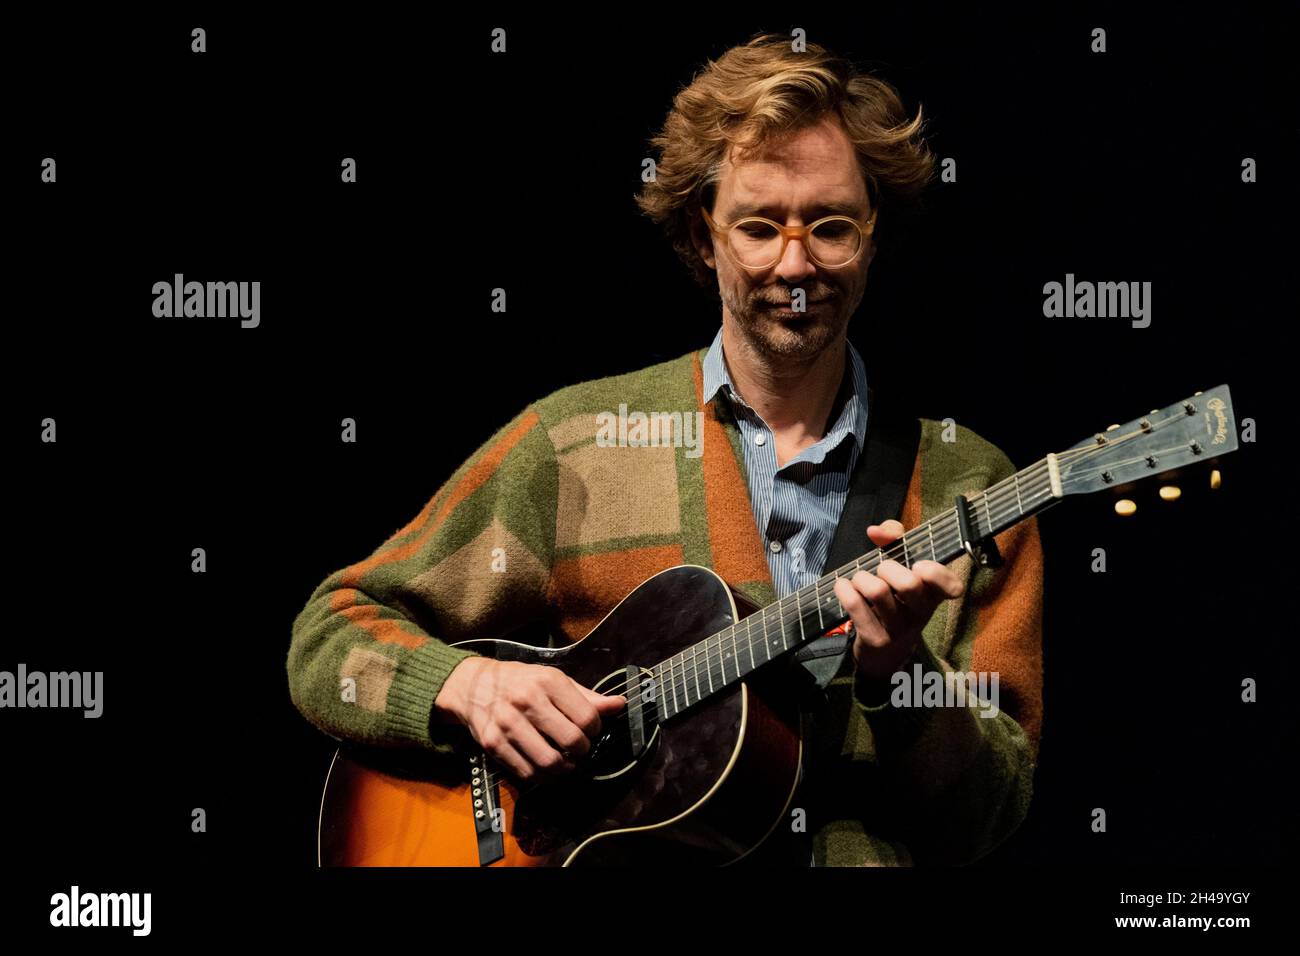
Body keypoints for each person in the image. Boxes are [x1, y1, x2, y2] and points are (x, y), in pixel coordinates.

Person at [287, 32, 1043, 867]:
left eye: (831, 227)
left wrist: (902, 678)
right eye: (758, 226)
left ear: (872, 236)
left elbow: (994, 812)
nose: (796, 264)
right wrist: (467, 687)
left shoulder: (969, 483)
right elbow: (332, 633)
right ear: (703, 231)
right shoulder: (577, 444)